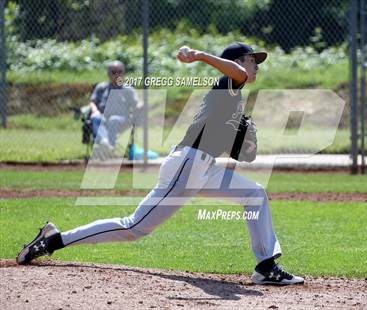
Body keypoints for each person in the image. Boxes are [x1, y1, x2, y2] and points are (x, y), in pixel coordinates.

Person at [17, 43, 304, 286]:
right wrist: (201, 56)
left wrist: (243, 144)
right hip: (187, 166)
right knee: (135, 227)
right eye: (253, 60)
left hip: (203, 168)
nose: (257, 67)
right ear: (235, 63)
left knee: (254, 194)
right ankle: (54, 240)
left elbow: (231, 148)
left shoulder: (231, 99)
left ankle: (266, 266)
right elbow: (238, 74)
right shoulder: (228, 83)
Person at [89, 60, 142, 151]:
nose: (117, 75)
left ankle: (109, 146)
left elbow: (137, 103)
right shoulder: (101, 87)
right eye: (114, 72)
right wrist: (95, 111)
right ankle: (105, 142)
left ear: (123, 73)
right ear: (108, 74)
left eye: (120, 72)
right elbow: (92, 102)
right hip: (103, 116)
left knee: (114, 119)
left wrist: (141, 106)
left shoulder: (128, 89)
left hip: (121, 119)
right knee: (96, 117)